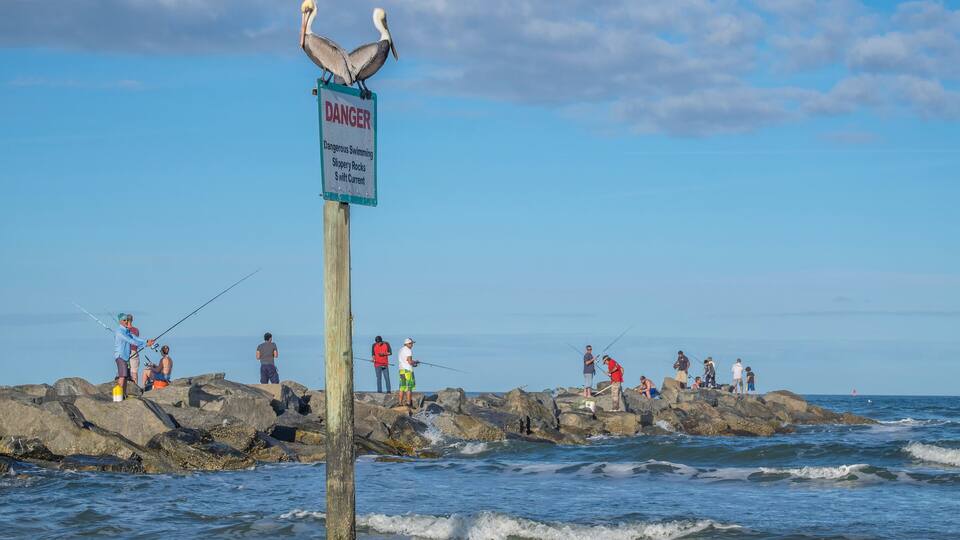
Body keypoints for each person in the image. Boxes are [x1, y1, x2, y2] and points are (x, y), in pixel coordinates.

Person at [114, 313, 155, 399]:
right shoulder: (119, 332)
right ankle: (119, 396)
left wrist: (147, 341)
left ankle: (124, 395)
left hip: (126, 357)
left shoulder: (126, 331)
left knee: (125, 377)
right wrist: (145, 345)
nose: (126, 321)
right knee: (122, 377)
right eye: (124, 320)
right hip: (120, 356)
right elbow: (131, 341)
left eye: (127, 320)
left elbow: (135, 338)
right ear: (120, 321)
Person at [397, 338, 418, 407]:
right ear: (408, 343)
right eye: (411, 343)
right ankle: (408, 403)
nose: (412, 345)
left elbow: (405, 360)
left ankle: (400, 403)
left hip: (401, 370)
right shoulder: (408, 350)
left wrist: (413, 362)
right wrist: (415, 362)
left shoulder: (401, 350)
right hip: (408, 370)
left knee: (402, 387)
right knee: (409, 387)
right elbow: (409, 361)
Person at [127, 314, 141, 388]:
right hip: (134, 351)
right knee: (134, 371)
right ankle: (136, 388)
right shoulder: (136, 330)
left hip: (125, 352)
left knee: (125, 371)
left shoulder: (124, 330)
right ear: (132, 320)